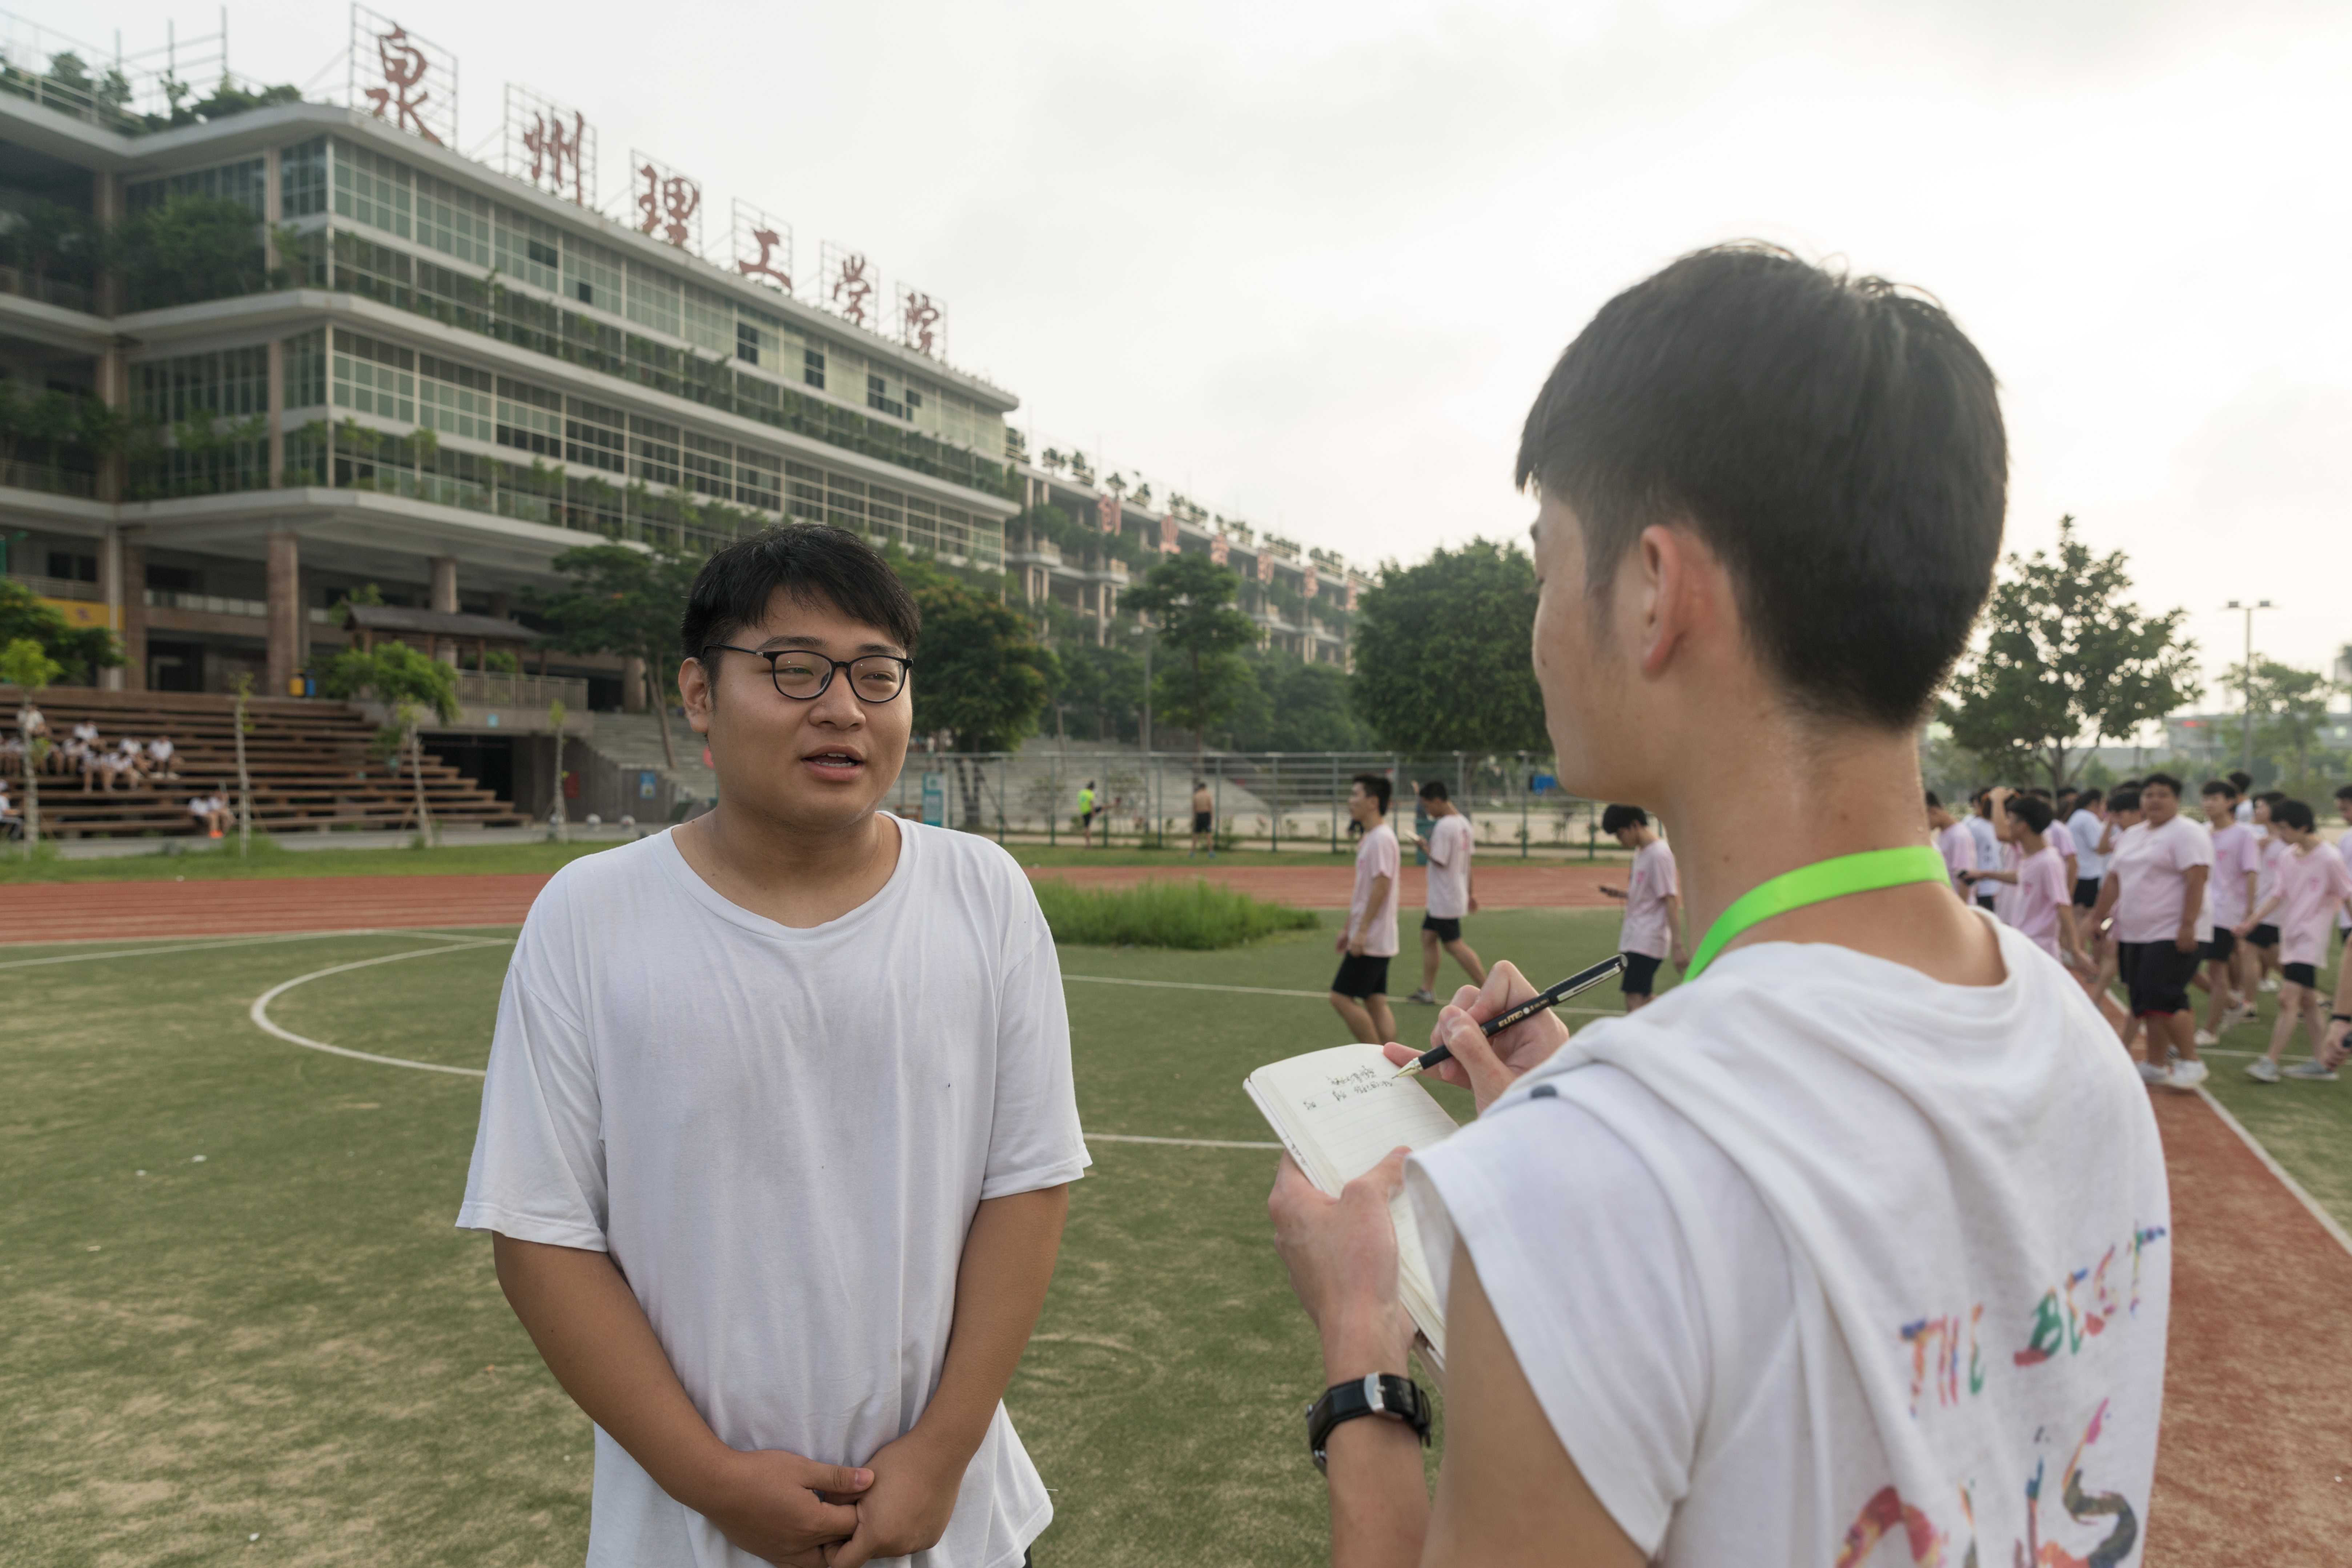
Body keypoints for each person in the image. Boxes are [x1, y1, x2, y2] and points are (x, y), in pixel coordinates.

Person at [1266, 245, 2165, 1567]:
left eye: (1543, 562)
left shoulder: (1594, 1178)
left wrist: (1361, 1355)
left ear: (1651, 589)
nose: (1535, 626)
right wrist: (1596, 1118)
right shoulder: (2078, 1046)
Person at [456, 524, 1085, 1568]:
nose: (842, 708)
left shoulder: (984, 895)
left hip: (956, 1525)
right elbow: (540, 1233)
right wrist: (710, 1481)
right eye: (795, 669)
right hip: (685, 1535)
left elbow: (1026, 1183)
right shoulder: (590, 916)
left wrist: (942, 1453)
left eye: (877, 674)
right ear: (699, 694)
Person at [2087, 772, 2211, 1087]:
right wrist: (2097, 918)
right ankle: (2156, 1064)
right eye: (2149, 794)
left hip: (2172, 930)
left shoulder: (2187, 833)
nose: (2155, 800)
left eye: (2163, 794)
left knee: (2164, 994)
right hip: (2134, 930)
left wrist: (2188, 925)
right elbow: (2114, 879)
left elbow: (2196, 878)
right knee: (2143, 997)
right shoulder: (2131, 835)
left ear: (2177, 799)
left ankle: (2191, 1061)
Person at [2236, 798, 2352, 1083]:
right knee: (2308, 1001)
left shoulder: (2329, 858)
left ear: (2303, 827)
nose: (2281, 834)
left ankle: (2270, 1061)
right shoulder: (2288, 855)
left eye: (2285, 828)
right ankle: (2323, 1063)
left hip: (2311, 938)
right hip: (2290, 934)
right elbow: (2278, 894)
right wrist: (2252, 921)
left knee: (2288, 997)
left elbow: (2347, 895)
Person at [1974, 790, 2087, 971]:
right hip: (2025, 941)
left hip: (2040, 947)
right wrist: (1984, 874)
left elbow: (2063, 905)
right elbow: (2021, 876)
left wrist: (2075, 949)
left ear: (2023, 826)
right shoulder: (2030, 857)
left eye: (2010, 819)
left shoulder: (2049, 861)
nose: (2007, 824)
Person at [1329, 773, 1400, 1045]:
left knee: (1340, 998)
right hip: (1374, 935)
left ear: (1373, 802)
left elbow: (1381, 888)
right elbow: (1363, 891)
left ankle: (1377, 1059)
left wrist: (1361, 932)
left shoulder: (1381, 838)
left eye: (1355, 795)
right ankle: (1392, 1060)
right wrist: (1348, 928)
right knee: (1375, 1001)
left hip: (1371, 937)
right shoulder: (1372, 837)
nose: (1350, 801)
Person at [1595, 803, 1687, 1011]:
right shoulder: (1642, 852)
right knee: (1644, 1000)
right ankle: (1682, 1017)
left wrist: (1678, 946)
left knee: (1634, 1001)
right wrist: (1620, 893)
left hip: (1647, 939)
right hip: (1636, 937)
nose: (1620, 841)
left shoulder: (1659, 854)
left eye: (1620, 834)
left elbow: (1670, 899)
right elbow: (1647, 895)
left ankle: (1682, 1017)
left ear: (1635, 825)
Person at [1406, 779, 1485, 1004]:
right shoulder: (1464, 823)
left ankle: (1489, 990)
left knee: (1454, 945)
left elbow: (1439, 860)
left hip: (1445, 897)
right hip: (1450, 895)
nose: (1428, 811)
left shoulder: (1444, 826)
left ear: (1437, 801)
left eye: (1427, 806)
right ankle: (1426, 990)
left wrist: (1422, 846)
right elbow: (1467, 862)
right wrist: (1471, 892)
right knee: (1428, 937)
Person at [2196, 778, 2259, 1044]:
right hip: (2199, 909)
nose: (2208, 804)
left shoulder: (2244, 834)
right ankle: (2233, 1004)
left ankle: (2210, 1031)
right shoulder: (2200, 831)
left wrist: (2249, 911)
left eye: (2215, 799)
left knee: (2217, 970)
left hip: (2225, 911)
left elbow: (2251, 872)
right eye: (2206, 798)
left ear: (2230, 802)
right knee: (2188, 968)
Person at [2245, 790, 2288, 992]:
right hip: (2261, 904)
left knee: (2250, 951)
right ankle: (2306, 992)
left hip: (2274, 906)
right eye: (2256, 806)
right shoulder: (2258, 839)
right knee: (2270, 953)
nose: (2256, 810)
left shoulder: (2287, 843)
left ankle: (2248, 1003)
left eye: (2261, 806)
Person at [1927, 790, 1976, 895]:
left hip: (1958, 901)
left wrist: (1962, 905)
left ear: (1934, 812)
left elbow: (1965, 877)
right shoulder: (1945, 833)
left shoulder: (1959, 836)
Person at [1963, 789, 2001, 913]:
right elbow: (1969, 857)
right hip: (1983, 887)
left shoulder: (2001, 826)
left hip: (1999, 885)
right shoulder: (1974, 826)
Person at [1190, 778, 1215, 859]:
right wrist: (1211, 820)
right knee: (1208, 835)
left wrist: (1195, 819)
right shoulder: (1208, 795)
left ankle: (1192, 852)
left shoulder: (1196, 796)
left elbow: (1194, 809)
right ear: (1205, 788)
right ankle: (1211, 853)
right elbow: (1210, 808)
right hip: (1206, 815)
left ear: (1200, 788)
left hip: (1199, 815)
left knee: (1196, 834)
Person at [1077, 778, 1097, 849]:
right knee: (1088, 829)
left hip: (1084, 812)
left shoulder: (1081, 793)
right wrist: (1093, 813)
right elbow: (1091, 803)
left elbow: (1081, 803)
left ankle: (1088, 845)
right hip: (1089, 812)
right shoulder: (1090, 793)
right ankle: (1088, 845)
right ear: (1091, 788)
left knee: (1087, 828)